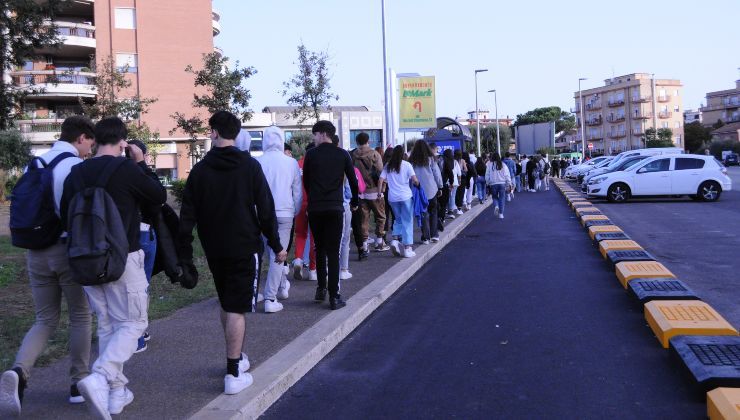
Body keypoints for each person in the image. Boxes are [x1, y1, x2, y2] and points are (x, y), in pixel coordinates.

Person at [58, 117, 166, 419]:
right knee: (134, 323)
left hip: (85, 258)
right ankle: (102, 375)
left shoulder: (76, 173)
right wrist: (141, 162)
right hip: (123, 256)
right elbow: (157, 197)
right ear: (122, 142)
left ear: (95, 140)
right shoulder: (127, 169)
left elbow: (66, 213)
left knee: (107, 324)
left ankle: (116, 393)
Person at [177, 111, 285, 396]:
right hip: (244, 246)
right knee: (237, 306)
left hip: (214, 247)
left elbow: (186, 216)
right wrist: (276, 245)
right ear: (236, 135)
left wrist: (184, 252)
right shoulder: (249, 166)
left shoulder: (199, 170)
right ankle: (233, 371)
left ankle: (237, 356)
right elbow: (265, 209)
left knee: (227, 302)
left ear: (214, 133)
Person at [0, 116, 94, 418]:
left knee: (44, 319)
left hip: (35, 252)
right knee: (80, 315)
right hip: (64, 250)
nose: (90, 150)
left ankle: (19, 371)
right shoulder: (71, 167)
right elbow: (73, 214)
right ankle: (78, 384)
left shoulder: (36, 164)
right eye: (89, 143)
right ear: (81, 137)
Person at [302, 121, 359, 310]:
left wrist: (314, 197)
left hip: (316, 208)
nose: (314, 138)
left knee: (320, 248)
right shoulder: (342, 154)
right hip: (335, 207)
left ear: (323, 134)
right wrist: (354, 201)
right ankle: (335, 296)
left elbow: (306, 181)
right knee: (334, 252)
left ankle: (320, 288)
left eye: (315, 134)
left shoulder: (311, 155)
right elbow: (352, 179)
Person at [256, 126, 302, 314]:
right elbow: (297, 192)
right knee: (279, 254)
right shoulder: (291, 162)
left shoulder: (257, 162)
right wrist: (295, 211)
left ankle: (281, 288)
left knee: (270, 253)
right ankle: (270, 297)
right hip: (285, 212)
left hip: (261, 214)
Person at [131, 139, 160, 354]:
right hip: (142, 232)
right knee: (139, 287)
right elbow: (157, 194)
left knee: (135, 287)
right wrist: (141, 163)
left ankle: (141, 329)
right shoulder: (138, 175)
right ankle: (137, 337)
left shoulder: (113, 172)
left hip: (125, 233)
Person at [350, 132, 389, 257]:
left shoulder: (353, 155)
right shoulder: (374, 154)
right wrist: (382, 189)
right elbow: (381, 173)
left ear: (357, 142)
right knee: (380, 217)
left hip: (360, 193)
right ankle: (379, 242)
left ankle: (365, 244)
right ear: (368, 141)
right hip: (374, 191)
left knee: (363, 219)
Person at [380, 145, 420, 257]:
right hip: (405, 196)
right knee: (407, 221)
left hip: (392, 198)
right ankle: (407, 248)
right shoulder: (407, 165)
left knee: (397, 219)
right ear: (403, 154)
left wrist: (380, 193)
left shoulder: (388, 166)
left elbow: (381, 179)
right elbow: (415, 180)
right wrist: (419, 185)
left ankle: (395, 239)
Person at [409, 141, 442, 244]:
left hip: (418, 190)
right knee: (433, 212)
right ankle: (435, 235)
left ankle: (426, 237)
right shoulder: (431, 159)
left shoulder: (412, 161)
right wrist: (440, 186)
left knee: (423, 213)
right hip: (431, 189)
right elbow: (436, 173)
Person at [292, 143, 317, 282]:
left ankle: (298, 260)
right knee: (315, 237)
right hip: (314, 203)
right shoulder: (317, 164)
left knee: (300, 234)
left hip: (299, 203)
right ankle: (313, 270)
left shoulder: (297, 164)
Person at [485, 152, 512, 219]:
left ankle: (496, 206)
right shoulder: (503, 165)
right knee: (502, 198)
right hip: (502, 184)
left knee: (494, 197)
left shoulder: (489, 165)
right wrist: (509, 183)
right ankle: (501, 214)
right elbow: (507, 175)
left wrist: (488, 182)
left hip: (493, 184)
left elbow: (487, 175)